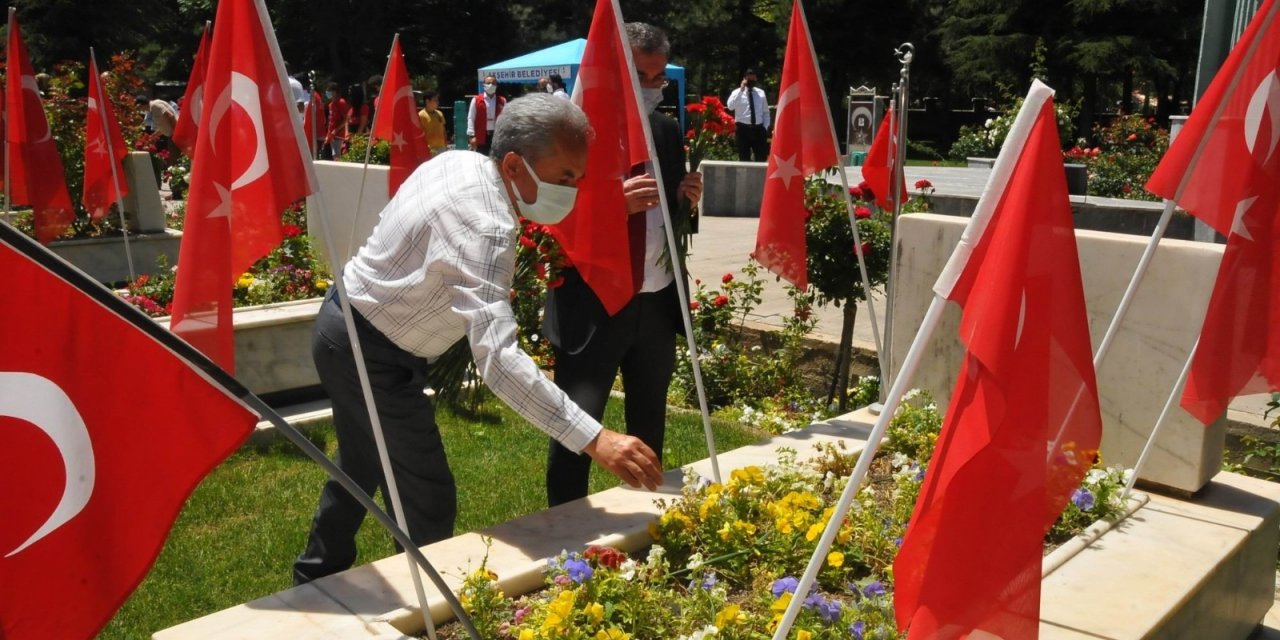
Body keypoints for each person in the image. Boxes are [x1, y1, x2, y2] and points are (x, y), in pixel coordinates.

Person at [292, 94, 663, 585]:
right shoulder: (485, 227)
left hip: (346, 326)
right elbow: (499, 361)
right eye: (564, 177)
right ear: (513, 163)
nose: (572, 190)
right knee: (428, 500)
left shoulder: (458, 162)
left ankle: (314, 579)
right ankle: (430, 613)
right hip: (370, 352)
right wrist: (596, 438)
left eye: (578, 177)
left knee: (361, 464)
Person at [542, 22, 702, 507]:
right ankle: (564, 526)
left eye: (659, 78)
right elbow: (548, 214)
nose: (654, 87)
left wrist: (684, 201)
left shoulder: (666, 129)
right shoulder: (570, 133)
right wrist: (613, 204)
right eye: (642, 76)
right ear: (615, 71)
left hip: (654, 299)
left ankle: (643, 519)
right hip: (594, 300)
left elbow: (669, 226)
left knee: (649, 420)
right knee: (578, 421)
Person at [727, 68, 771, 161]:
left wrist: (765, 127)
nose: (751, 82)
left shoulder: (761, 93)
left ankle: (760, 176)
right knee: (744, 158)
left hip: (758, 129)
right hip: (743, 129)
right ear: (744, 79)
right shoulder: (736, 93)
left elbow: (766, 112)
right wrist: (741, 90)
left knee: (761, 158)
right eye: (749, 80)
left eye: (753, 80)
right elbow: (730, 106)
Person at [467, 74, 505, 156]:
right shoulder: (476, 100)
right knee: (482, 159)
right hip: (481, 136)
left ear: (496, 86)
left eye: (493, 83)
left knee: (496, 159)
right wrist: (471, 136)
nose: (491, 85)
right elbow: (471, 118)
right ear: (484, 85)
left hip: (496, 136)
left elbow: (505, 119)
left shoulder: (502, 100)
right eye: (488, 83)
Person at [322, 82, 350, 160]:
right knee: (331, 155)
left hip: (338, 134)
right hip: (331, 135)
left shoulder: (341, 103)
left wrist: (336, 130)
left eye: (330, 91)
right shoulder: (331, 104)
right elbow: (331, 121)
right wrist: (328, 134)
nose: (328, 93)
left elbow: (345, 119)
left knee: (336, 155)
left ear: (335, 92)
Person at [417, 89, 448, 155]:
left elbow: (443, 130)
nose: (438, 102)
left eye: (437, 100)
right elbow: (419, 134)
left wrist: (446, 145)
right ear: (427, 101)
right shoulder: (421, 115)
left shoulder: (440, 114)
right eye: (435, 100)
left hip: (442, 148)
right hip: (430, 149)